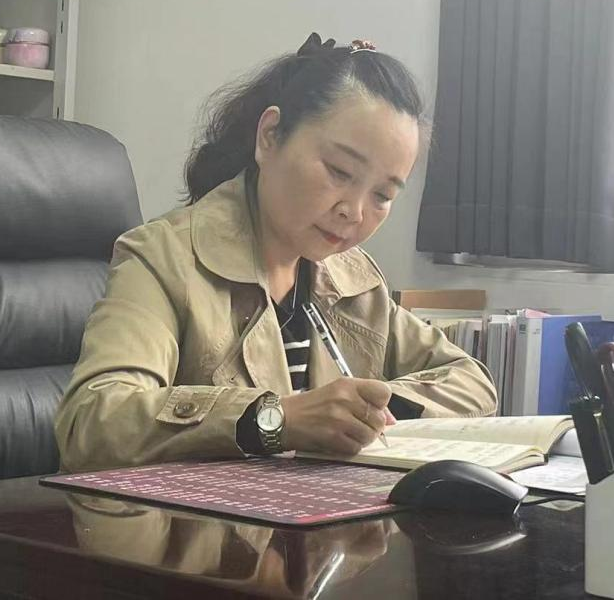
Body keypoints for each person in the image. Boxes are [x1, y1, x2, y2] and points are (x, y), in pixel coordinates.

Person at [55, 34, 497, 471]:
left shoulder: (352, 277)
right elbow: (92, 422)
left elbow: (470, 380)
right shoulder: (164, 258)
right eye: (339, 171)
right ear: (269, 136)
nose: (354, 211)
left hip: (324, 512)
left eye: (382, 195)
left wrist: (374, 410)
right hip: (203, 516)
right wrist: (273, 419)